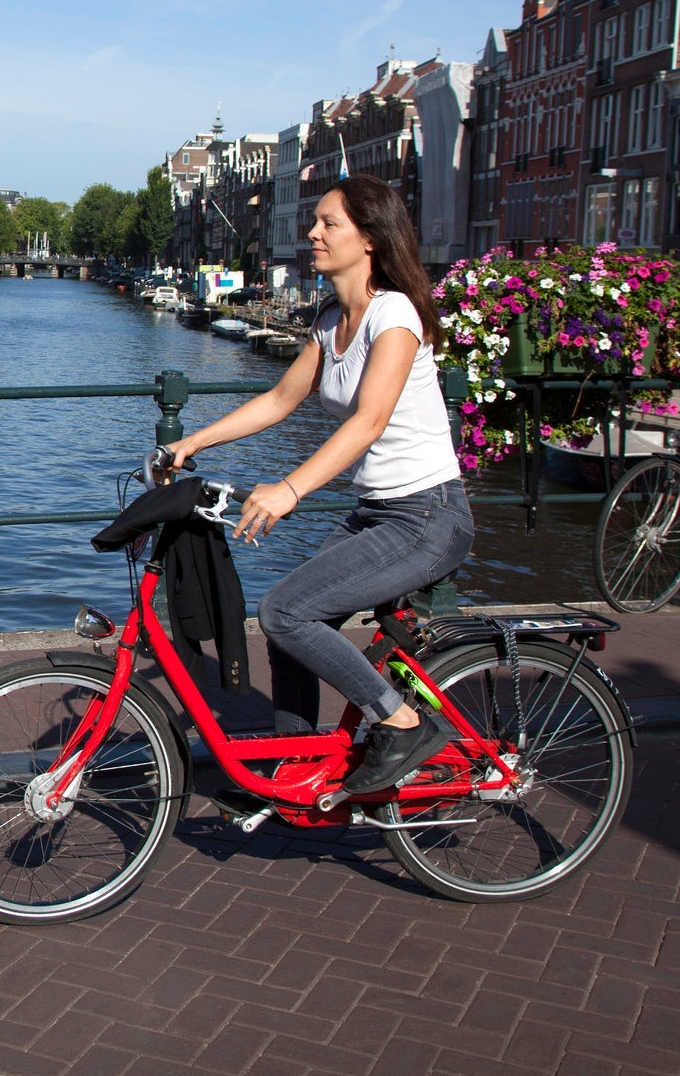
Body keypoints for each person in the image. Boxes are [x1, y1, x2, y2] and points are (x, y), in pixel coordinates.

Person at [160, 177, 471, 794]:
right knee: (288, 620)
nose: (313, 234)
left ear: (371, 238)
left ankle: (404, 724)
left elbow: (370, 420)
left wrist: (290, 489)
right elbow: (279, 399)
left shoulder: (395, 314)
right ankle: (297, 762)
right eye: (316, 222)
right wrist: (191, 442)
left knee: (286, 612)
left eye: (329, 223)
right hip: (380, 512)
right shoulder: (332, 320)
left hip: (427, 515)